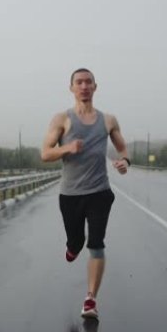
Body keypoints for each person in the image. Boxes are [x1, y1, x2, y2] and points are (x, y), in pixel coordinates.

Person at [41, 68, 130, 318]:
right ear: (71, 88)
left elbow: (123, 148)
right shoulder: (62, 119)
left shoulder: (108, 120)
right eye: (79, 82)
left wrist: (125, 162)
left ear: (95, 87)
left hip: (100, 192)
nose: (84, 86)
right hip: (70, 195)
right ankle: (72, 246)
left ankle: (91, 299)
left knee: (97, 243)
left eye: (88, 82)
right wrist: (67, 147)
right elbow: (45, 153)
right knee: (77, 242)